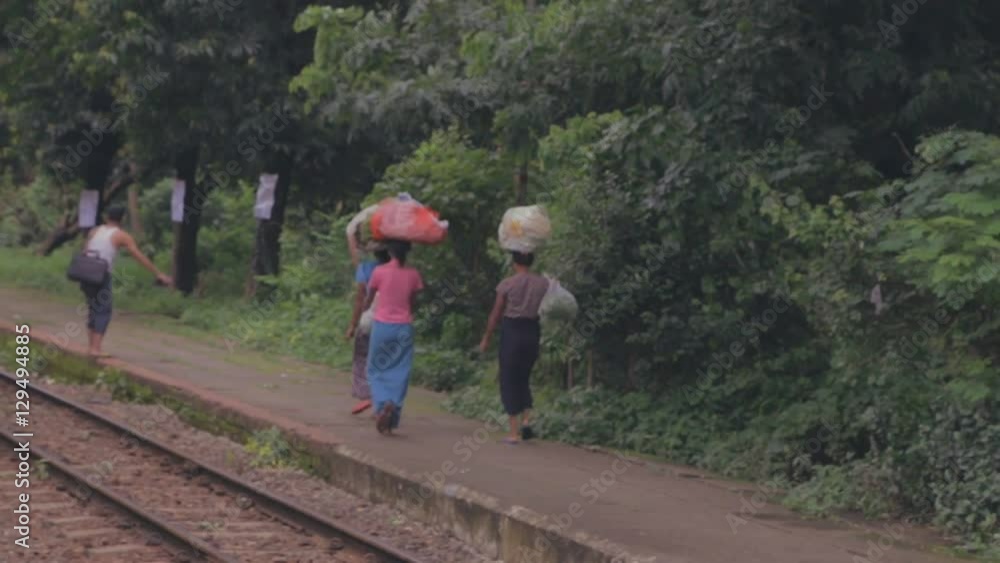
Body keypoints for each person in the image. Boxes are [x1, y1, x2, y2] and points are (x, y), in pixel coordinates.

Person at [79, 205, 172, 356]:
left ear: (107, 217)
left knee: (93, 309)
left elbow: (85, 250)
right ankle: (95, 349)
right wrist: (158, 273)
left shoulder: (94, 231)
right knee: (103, 310)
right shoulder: (121, 235)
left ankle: (91, 347)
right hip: (101, 275)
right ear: (123, 218)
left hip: (85, 273)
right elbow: (138, 256)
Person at [479, 251, 549, 444]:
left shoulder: (507, 284)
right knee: (524, 377)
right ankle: (526, 420)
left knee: (509, 379)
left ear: (514, 262)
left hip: (512, 332)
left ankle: (513, 433)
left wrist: (486, 337)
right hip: (532, 331)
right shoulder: (543, 283)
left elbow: (496, 313)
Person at [362, 240, 423, 434]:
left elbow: (369, 298)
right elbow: (413, 303)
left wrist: (363, 312)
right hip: (403, 327)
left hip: (382, 326)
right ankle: (393, 406)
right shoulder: (413, 274)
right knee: (400, 370)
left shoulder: (379, 272)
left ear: (389, 251)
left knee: (376, 368)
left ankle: (382, 404)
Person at [346, 238, 391, 415]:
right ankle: (384, 398)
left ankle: (367, 395)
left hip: (369, 321)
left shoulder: (366, 268)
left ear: (374, 253)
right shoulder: (401, 270)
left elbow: (360, 299)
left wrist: (352, 325)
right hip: (392, 322)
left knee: (362, 357)